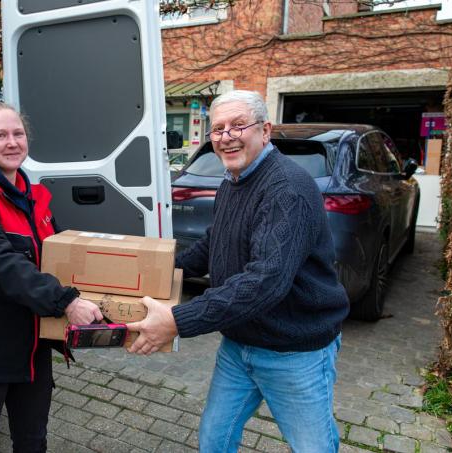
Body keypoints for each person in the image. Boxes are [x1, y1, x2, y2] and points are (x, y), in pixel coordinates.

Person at [127, 90, 349, 452]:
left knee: (314, 447)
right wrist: (154, 272)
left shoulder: (286, 189)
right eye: (217, 129)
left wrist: (178, 319)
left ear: (265, 130)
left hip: (293, 351)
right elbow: (213, 245)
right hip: (239, 345)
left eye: (237, 125)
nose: (226, 136)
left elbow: (265, 281)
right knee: (215, 439)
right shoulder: (234, 181)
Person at [0, 102, 103, 452]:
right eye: (0, 135)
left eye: (18, 133)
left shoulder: (35, 197)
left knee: (33, 442)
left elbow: (58, 259)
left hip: (31, 351)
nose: (12, 142)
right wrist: (66, 301)